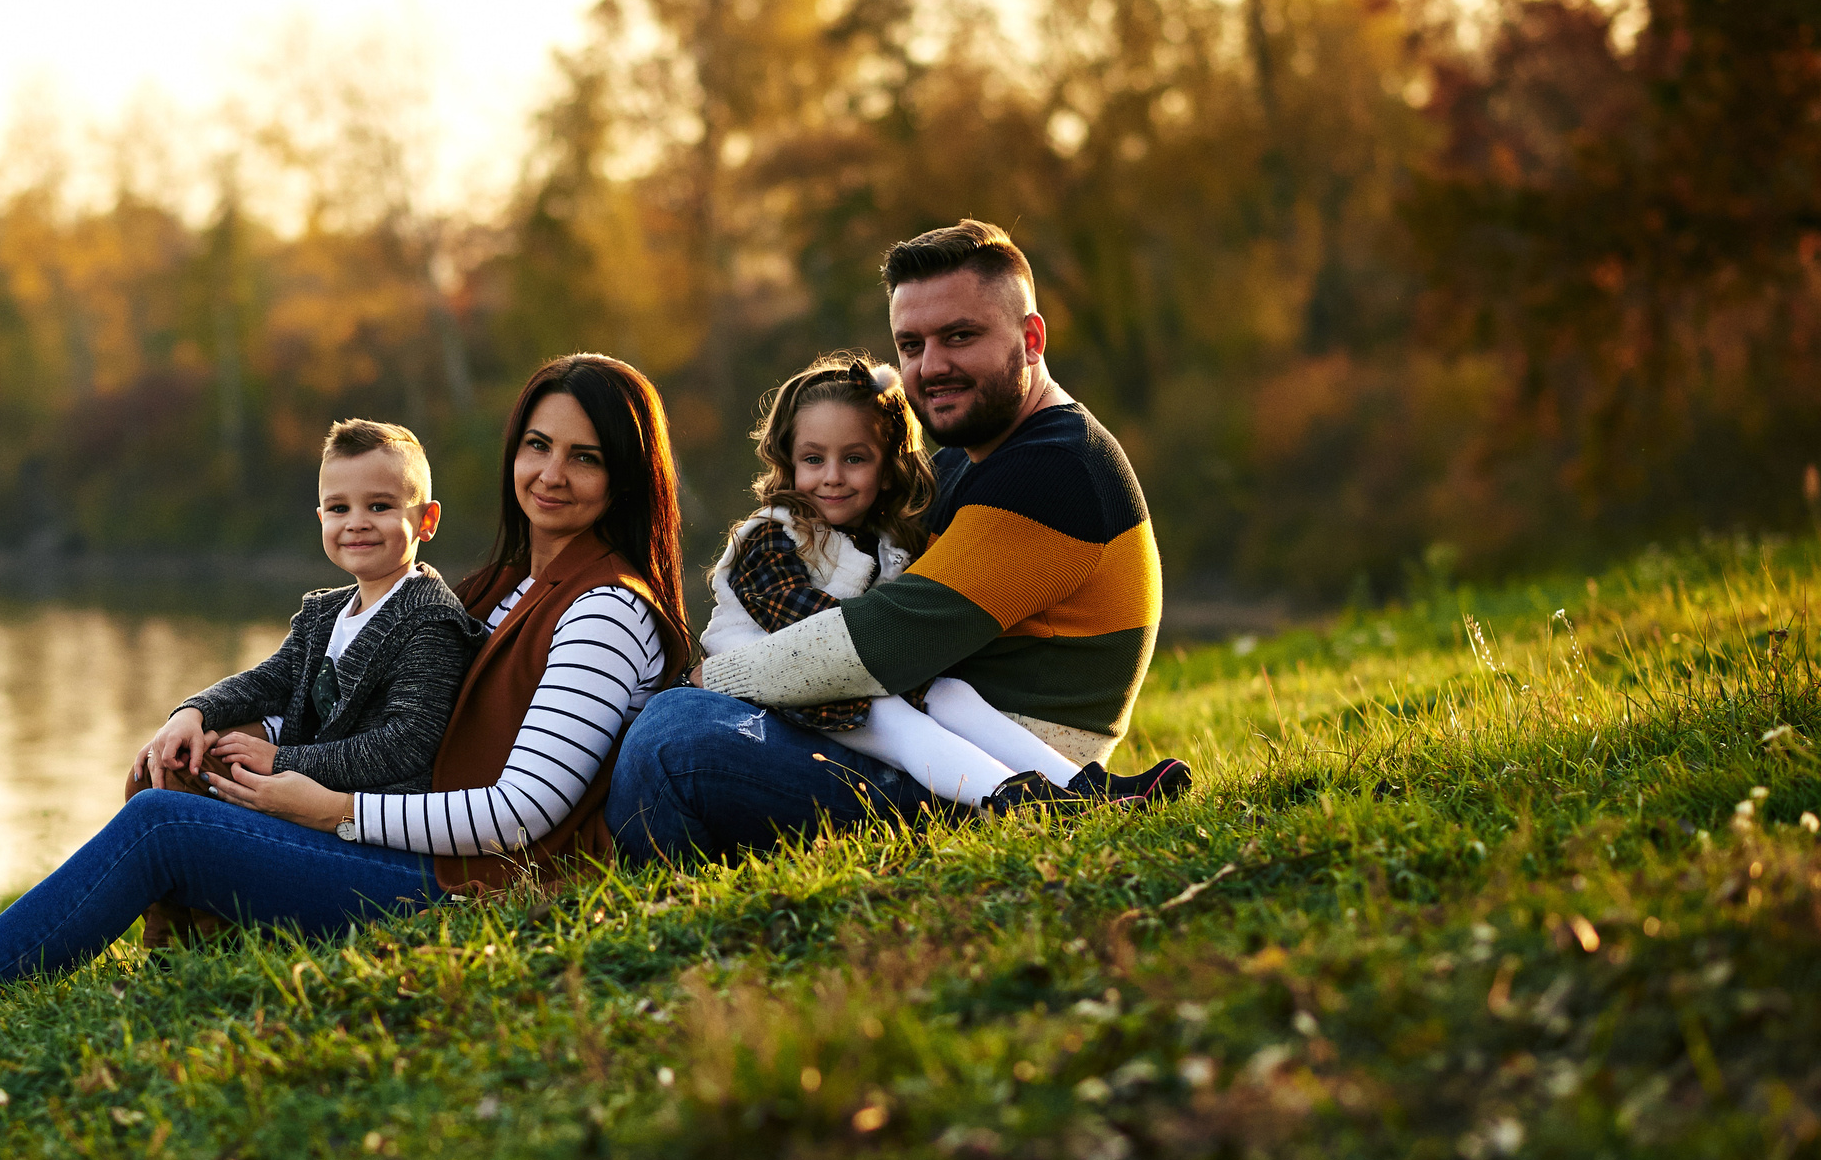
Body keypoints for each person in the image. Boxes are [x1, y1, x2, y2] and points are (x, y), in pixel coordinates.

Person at [0, 355, 690, 1043]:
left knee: (163, 830)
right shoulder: (503, 586)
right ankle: (165, 954)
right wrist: (216, 723)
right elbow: (351, 691)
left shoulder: (605, 609)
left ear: (628, 475)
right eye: (537, 444)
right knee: (172, 784)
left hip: (472, 891)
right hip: (421, 851)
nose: (551, 473)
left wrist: (324, 801)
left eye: (585, 456)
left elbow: (519, 813)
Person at [609, 218, 1189, 861]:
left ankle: (680, 922)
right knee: (679, 729)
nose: (931, 367)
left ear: (1030, 338)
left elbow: (885, 642)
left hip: (987, 777)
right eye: (910, 346)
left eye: (960, 337)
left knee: (669, 736)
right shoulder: (964, 465)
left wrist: (712, 676)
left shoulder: (1054, 468)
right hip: (930, 742)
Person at [701, 349, 1107, 811]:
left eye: (855, 459)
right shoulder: (771, 535)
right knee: (895, 717)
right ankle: (1013, 800)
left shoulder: (887, 541)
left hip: (855, 679)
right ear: (789, 462)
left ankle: (1086, 787)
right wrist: (902, 654)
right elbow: (813, 633)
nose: (832, 478)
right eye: (813, 459)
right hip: (773, 687)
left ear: (887, 466)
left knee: (952, 693)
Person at [137, 417, 485, 802]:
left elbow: (405, 744)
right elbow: (266, 682)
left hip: (362, 822)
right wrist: (190, 715)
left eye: (379, 506)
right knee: (161, 773)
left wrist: (282, 761)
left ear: (426, 520)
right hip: (296, 790)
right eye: (339, 508)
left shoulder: (430, 619)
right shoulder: (323, 615)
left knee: (161, 810)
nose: (356, 523)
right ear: (321, 518)